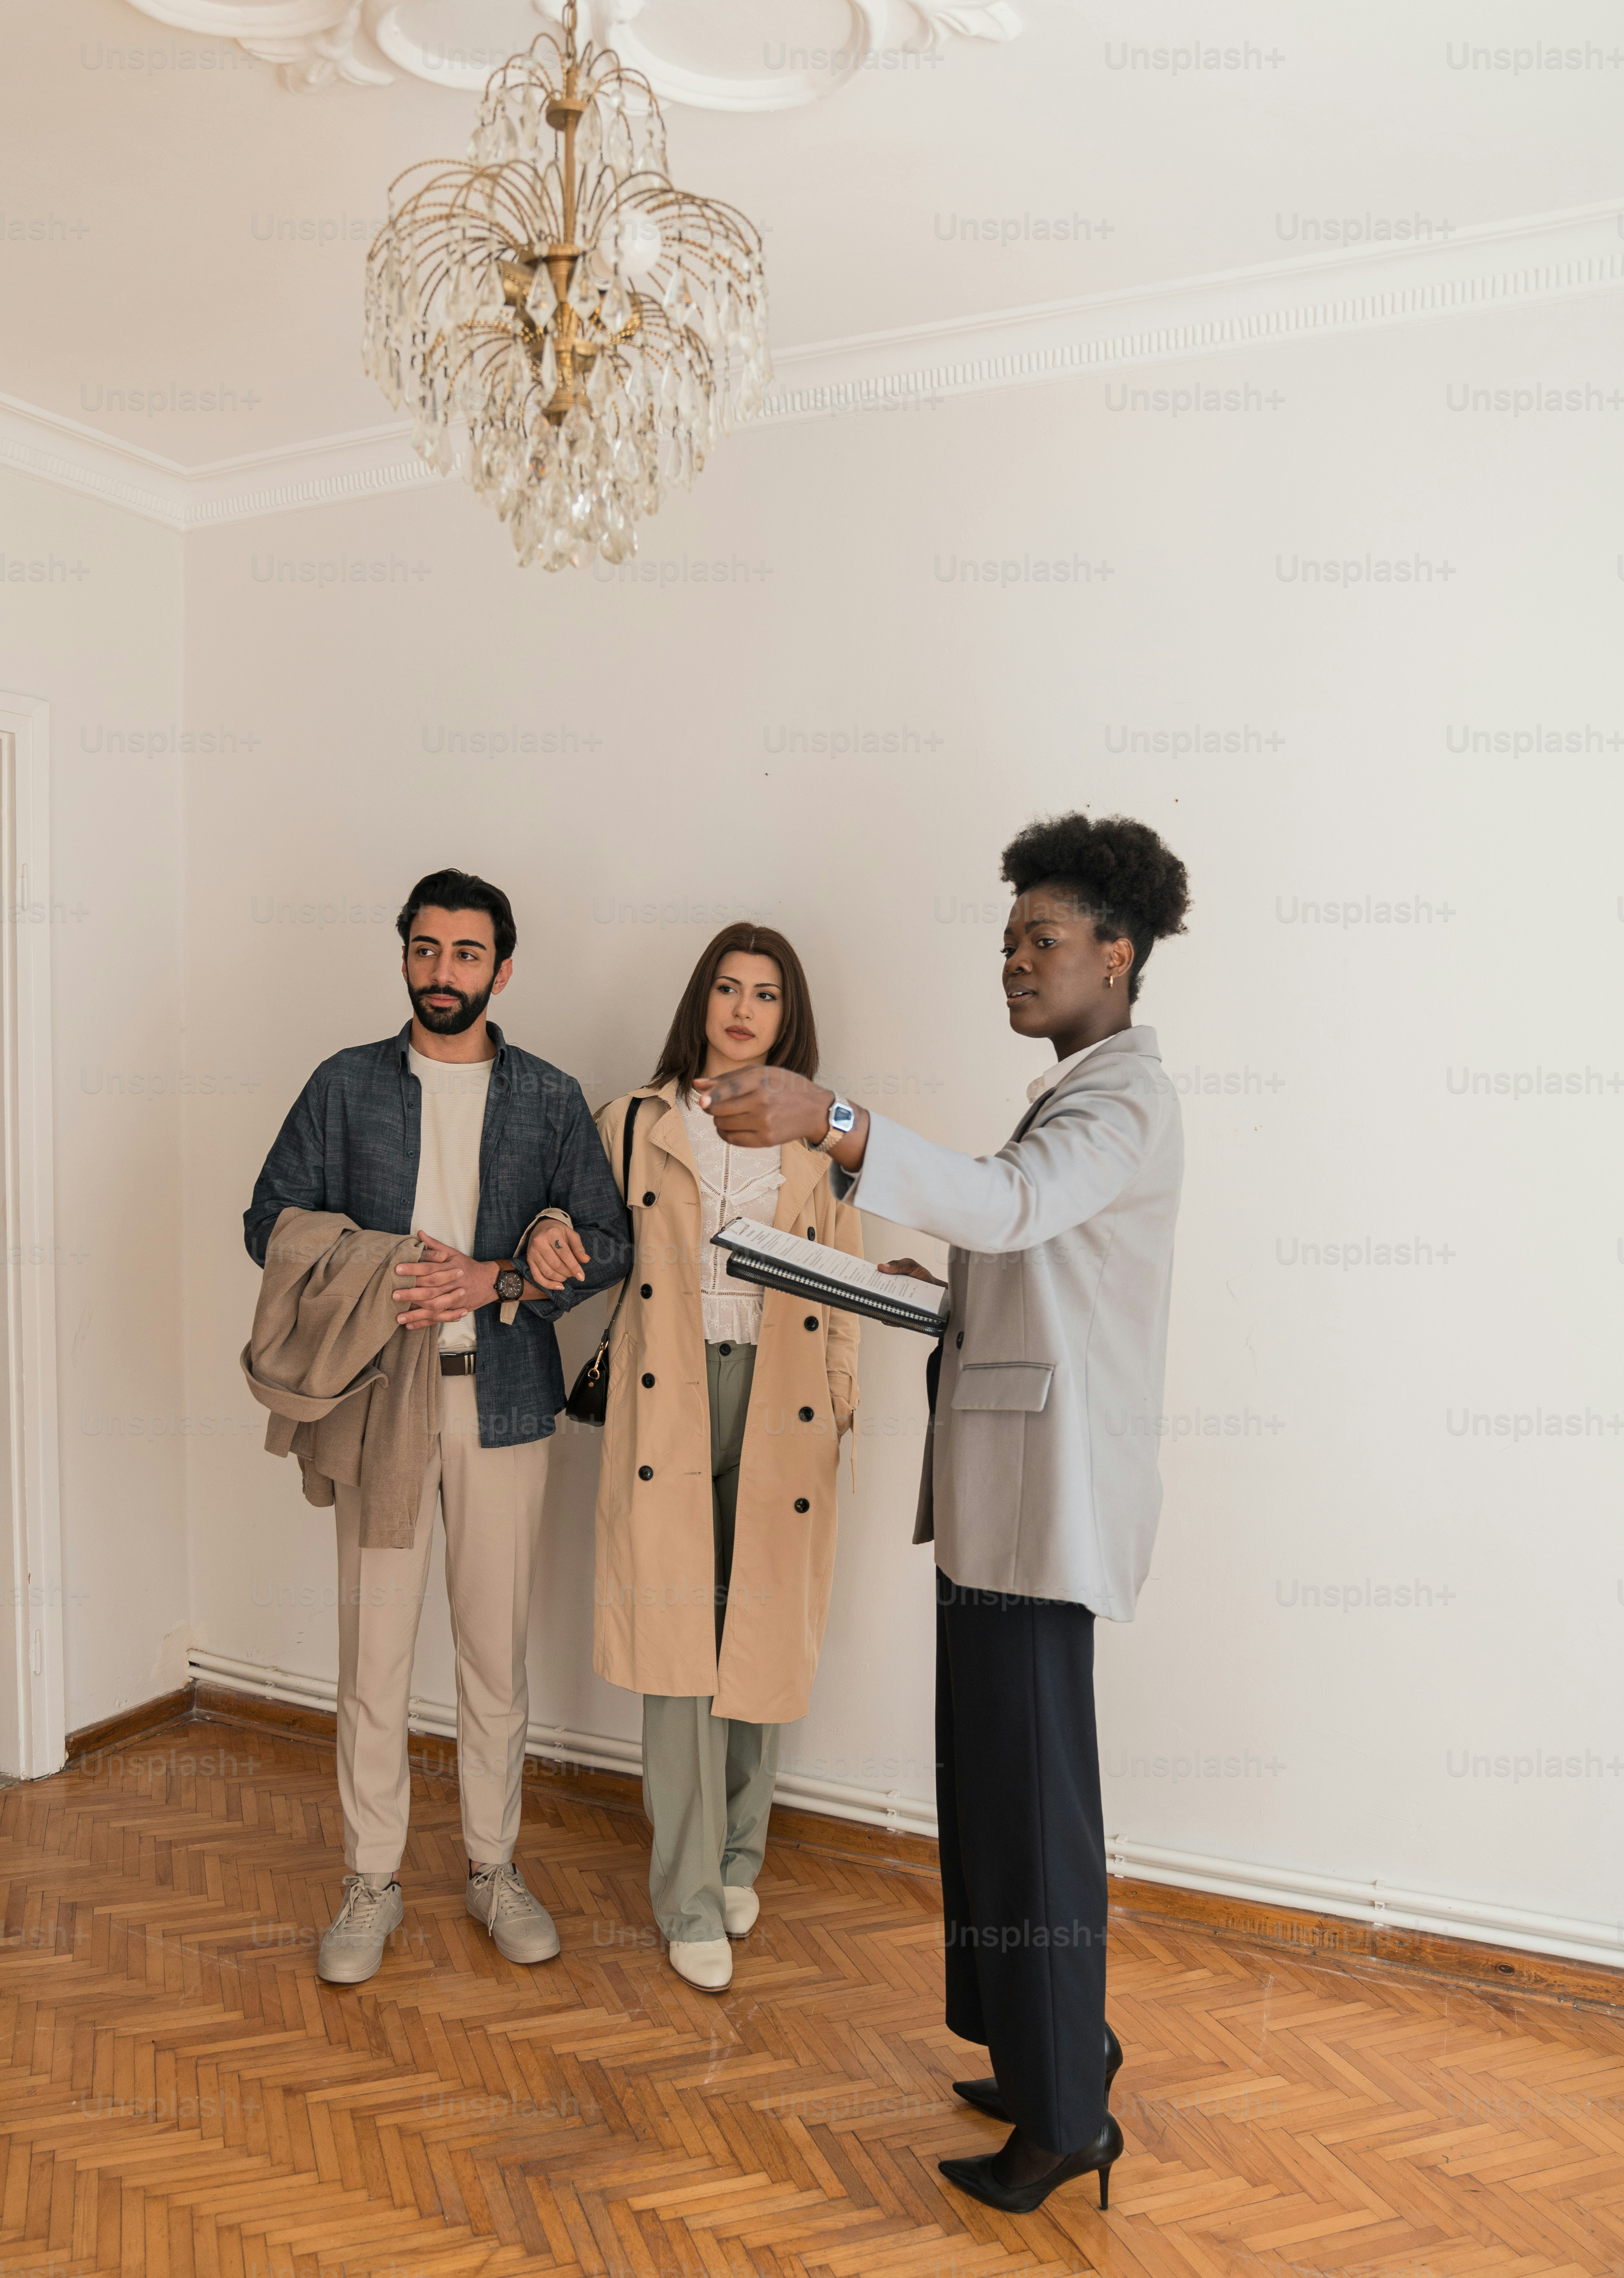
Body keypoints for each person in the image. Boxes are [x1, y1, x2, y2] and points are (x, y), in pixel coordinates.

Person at [694, 814, 1190, 2213]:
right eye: (1006, 944)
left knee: (1035, 1816)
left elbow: (1013, 1205)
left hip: (1045, 1514)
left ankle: (1066, 2120)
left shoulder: (1124, 1099)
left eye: (1041, 941)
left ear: (1118, 950)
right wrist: (925, 1291)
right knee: (989, 1797)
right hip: (993, 1506)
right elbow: (1017, 1252)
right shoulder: (1079, 1089)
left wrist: (832, 1120)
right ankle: (1045, 2057)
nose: (1014, 965)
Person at [243, 867, 631, 1985]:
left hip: (507, 1403)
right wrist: (388, 1266)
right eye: (426, 949)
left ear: (501, 970)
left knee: (492, 1656)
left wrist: (503, 1276)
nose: (443, 971)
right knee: (374, 1656)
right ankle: (371, 1882)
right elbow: (267, 1220)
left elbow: (608, 1244)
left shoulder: (551, 1098)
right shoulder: (344, 1085)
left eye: (466, 954)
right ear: (404, 956)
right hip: (380, 1403)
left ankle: (492, 1870)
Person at [531, 924, 860, 1993]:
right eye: (726, 986)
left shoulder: (816, 1137)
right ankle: (685, 1894)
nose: (742, 1008)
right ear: (701, 1000)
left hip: (782, 1398)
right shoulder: (635, 1120)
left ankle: (736, 1859)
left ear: (786, 1016)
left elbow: (844, 1284)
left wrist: (839, 1403)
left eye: (764, 994)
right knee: (675, 1642)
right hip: (665, 1396)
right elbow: (572, 1229)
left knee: (759, 1627)